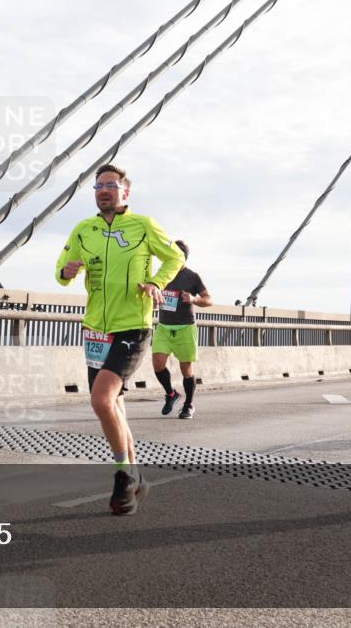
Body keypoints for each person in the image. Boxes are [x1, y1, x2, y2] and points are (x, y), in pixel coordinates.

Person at [56, 163, 184, 515]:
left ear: (125, 193)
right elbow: (62, 272)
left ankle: (123, 474)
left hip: (132, 326)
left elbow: (175, 256)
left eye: (111, 185)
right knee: (114, 405)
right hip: (96, 330)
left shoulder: (143, 225)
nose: (104, 190)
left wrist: (156, 283)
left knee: (101, 400)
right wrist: (66, 271)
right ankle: (136, 475)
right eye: (98, 186)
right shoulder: (84, 229)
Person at [153, 240, 213, 419]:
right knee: (157, 363)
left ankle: (188, 404)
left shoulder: (192, 277)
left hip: (185, 327)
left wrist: (194, 299)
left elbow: (209, 300)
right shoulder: (163, 274)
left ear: (182, 256)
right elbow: (155, 292)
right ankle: (171, 394)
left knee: (186, 369)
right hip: (164, 327)